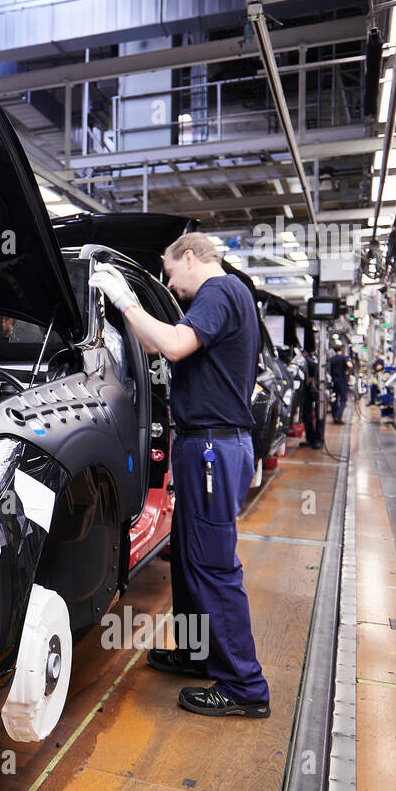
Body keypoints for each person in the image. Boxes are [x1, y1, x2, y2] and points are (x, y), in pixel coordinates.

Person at [90, 232, 271, 719]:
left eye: (171, 272)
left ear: (190, 257)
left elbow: (173, 344)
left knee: (213, 568)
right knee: (190, 564)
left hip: (212, 447)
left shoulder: (219, 290)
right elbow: (168, 349)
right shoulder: (231, 296)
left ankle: (244, 686)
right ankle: (197, 654)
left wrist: (127, 302)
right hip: (203, 445)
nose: (172, 283)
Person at [328, 345, 350, 423]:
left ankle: (335, 417)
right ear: (342, 349)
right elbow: (349, 365)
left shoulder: (331, 359)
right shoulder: (344, 358)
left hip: (333, 381)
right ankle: (338, 415)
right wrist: (348, 372)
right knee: (343, 400)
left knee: (334, 399)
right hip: (342, 380)